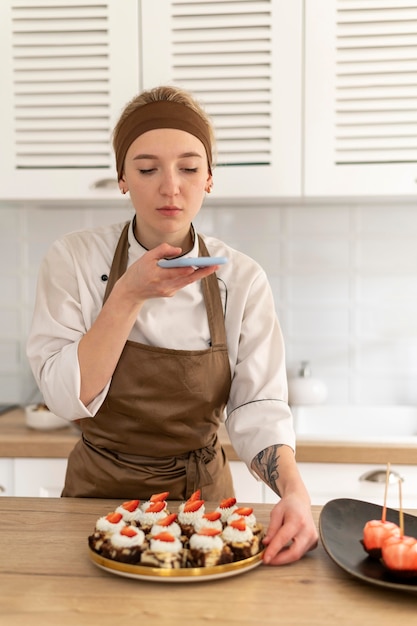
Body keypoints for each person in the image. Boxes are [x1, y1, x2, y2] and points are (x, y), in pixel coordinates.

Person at [27, 85, 318, 565]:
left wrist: (295, 491)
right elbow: (63, 399)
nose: (170, 187)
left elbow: (258, 407)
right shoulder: (73, 260)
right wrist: (127, 295)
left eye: (188, 168)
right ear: (122, 178)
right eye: (146, 169)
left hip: (203, 506)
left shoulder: (241, 278)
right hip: (95, 499)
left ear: (209, 179)